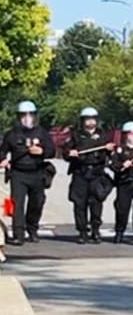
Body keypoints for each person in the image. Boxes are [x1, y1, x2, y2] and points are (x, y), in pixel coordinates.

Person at [0, 101, 56, 246]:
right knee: (16, 204)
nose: (27, 118)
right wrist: (3, 159)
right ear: (19, 117)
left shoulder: (42, 133)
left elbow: (52, 151)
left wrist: (42, 151)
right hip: (18, 174)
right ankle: (18, 234)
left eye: (30, 115)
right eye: (24, 115)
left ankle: (32, 229)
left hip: (37, 172)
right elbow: (2, 151)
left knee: (37, 203)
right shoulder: (12, 134)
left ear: (35, 116)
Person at [64, 107, 115, 244]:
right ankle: (82, 231)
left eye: (93, 119)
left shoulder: (103, 135)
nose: (90, 122)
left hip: (96, 173)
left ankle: (95, 230)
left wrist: (110, 149)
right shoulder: (75, 135)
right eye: (87, 119)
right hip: (80, 172)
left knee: (96, 203)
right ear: (83, 121)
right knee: (79, 204)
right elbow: (65, 151)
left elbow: (111, 153)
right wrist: (70, 153)